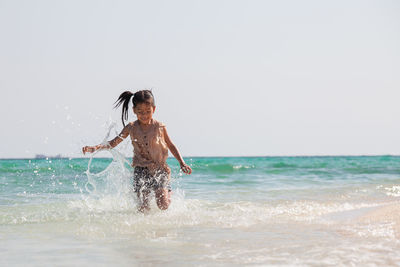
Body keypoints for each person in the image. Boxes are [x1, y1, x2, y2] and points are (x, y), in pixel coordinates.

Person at [82, 90, 192, 212]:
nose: (144, 115)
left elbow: (171, 145)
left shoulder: (159, 127)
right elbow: (113, 142)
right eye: (140, 112)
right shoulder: (131, 127)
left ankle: (168, 191)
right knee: (143, 207)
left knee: (163, 205)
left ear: (154, 109)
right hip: (140, 169)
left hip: (159, 168)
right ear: (134, 110)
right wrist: (95, 148)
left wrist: (181, 163)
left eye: (148, 112)